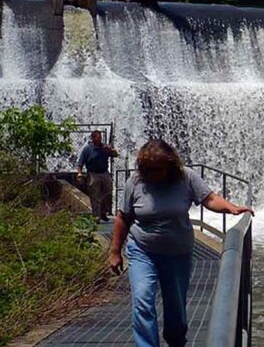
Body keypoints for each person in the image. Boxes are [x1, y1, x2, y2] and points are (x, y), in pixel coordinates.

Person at [107, 139, 253, 347]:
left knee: (176, 309)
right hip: (142, 250)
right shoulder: (136, 181)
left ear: (170, 166)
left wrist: (232, 208)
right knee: (142, 301)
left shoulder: (186, 178)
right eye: (145, 169)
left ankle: (176, 342)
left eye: (155, 169)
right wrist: (115, 251)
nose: (149, 173)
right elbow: (123, 217)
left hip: (178, 253)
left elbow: (209, 199)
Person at [77, 131, 119, 222]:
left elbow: (115, 155)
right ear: (93, 138)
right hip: (93, 174)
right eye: (98, 138)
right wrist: (79, 174)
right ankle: (96, 216)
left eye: (100, 137)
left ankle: (104, 212)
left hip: (104, 172)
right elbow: (80, 163)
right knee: (95, 195)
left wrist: (111, 150)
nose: (100, 139)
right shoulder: (87, 149)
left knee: (107, 193)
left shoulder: (104, 148)